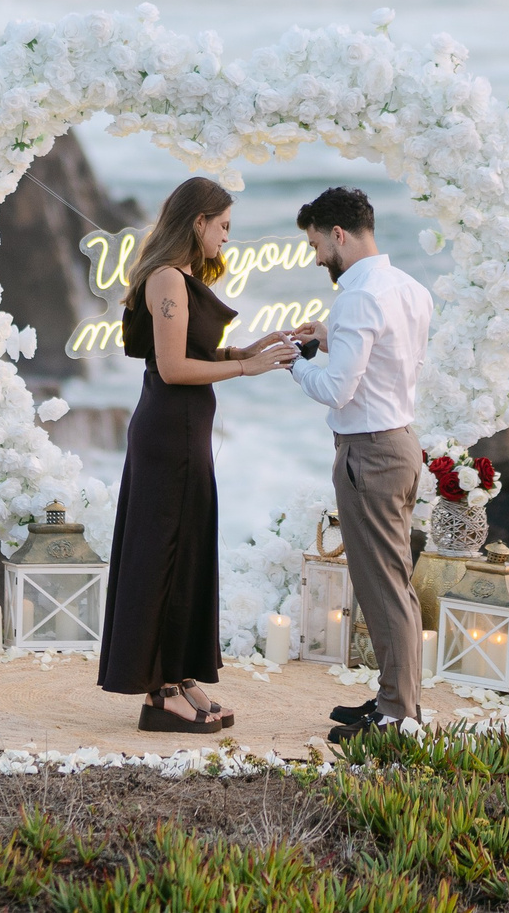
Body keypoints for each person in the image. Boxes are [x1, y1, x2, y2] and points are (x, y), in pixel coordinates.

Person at [97, 176, 301, 732]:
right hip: (169, 433)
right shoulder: (167, 277)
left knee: (185, 554)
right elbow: (172, 369)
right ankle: (160, 694)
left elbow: (194, 352)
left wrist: (245, 350)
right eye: (223, 225)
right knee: (164, 555)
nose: (227, 237)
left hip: (185, 431)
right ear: (198, 221)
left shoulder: (182, 277)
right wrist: (246, 368)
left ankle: (181, 675)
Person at [283, 186, 434, 743]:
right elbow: (389, 363)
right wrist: (329, 340)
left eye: (316, 244)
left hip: (368, 454)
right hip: (401, 444)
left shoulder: (356, 297)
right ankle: (396, 699)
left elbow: (337, 390)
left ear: (339, 234)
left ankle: (396, 717)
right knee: (394, 582)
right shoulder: (410, 289)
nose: (316, 257)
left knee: (382, 587)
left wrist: (293, 363)